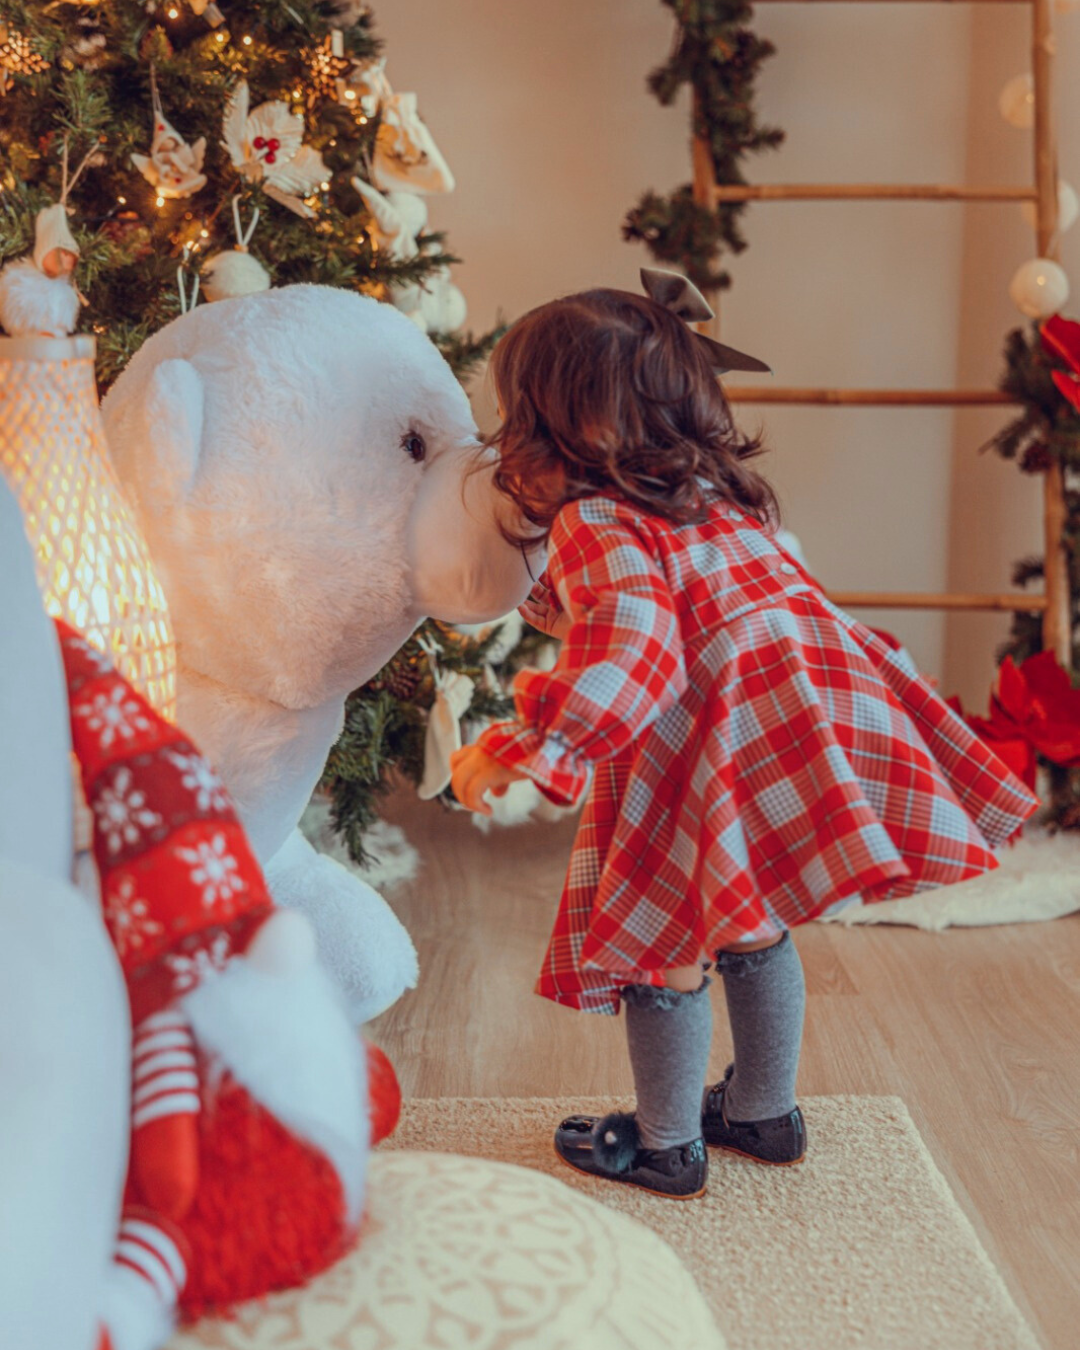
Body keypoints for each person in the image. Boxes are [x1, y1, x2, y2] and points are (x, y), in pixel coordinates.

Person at [449, 269, 1038, 1200]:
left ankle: (666, 1143)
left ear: (566, 424)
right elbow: (680, 609)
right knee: (751, 920)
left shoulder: (598, 520)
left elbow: (636, 647)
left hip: (700, 740)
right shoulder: (721, 497)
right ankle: (764, 1111)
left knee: (666, 936)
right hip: (799, 719)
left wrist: (530, 746)